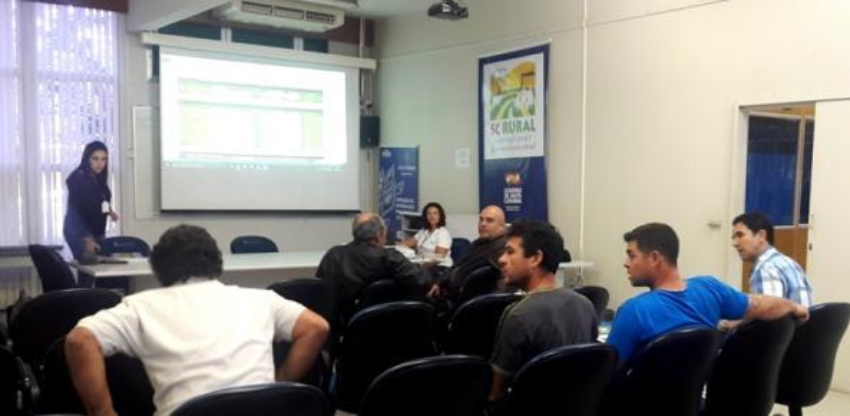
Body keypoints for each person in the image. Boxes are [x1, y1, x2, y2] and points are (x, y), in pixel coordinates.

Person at [65, 225, 329, 416]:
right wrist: (279, 385)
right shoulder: (261, 299)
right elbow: (316, 327)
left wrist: (103, 412)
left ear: (159, 266)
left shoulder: (141, 307)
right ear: (216, 261)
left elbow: (80, 340)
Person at [607, 222, 809, 364]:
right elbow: (759, 305)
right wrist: (792, 306)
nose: (626, 263)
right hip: (695, 403)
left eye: (631, 256)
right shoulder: (710, 288)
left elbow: (606, 375)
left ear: (654, 258)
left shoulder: (633, 312)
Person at [489, 219, 598, 402]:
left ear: (535, 258)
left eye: (510, 252)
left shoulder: (519, 315)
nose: (501, 259)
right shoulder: (586, 305)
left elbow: (494, 393)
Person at [316, 212, 432, 322]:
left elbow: (322, 293)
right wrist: (424, 270)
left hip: (348, 324)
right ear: (378, 235)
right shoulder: (390, 257)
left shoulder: (334, 256)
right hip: (389, 322)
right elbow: (420, 280)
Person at [732, 212, 813, 306]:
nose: (735, 243)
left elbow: (770, 311)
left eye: (740, 235)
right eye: (733, 238)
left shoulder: (766, 268)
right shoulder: (791, 263)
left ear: (761, 236)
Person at [64, 141, 119, 261]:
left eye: (104, 159)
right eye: (95, 159)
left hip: (96, 230)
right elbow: (75, 210)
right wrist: (86, 238)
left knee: (100, 264)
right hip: (78, 231)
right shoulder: (78, 178)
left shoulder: (98, 177)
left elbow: (102, 199)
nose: (100, 163)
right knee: (90, 266)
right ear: (87, 158)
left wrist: (110, 212)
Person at [445, 205, 508, 299]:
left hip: (472, 301)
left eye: (489, 220)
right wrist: (439, 282)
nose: (483, 224)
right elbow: (459, 264)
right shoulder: (478, 242)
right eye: (481, 219)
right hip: (450, 290)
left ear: (502, 226)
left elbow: (503, 283)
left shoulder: (502, 248)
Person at [402, 202, 453, 268]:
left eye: (435, 213)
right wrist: (393, 245)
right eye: (429, 214)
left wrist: (420, 268)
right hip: (422, 264)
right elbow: (407, 243)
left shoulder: (443, 233)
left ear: (440, 216)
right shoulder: (423, 231)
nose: (432, 216)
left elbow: (437, 258)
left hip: (439, 267)